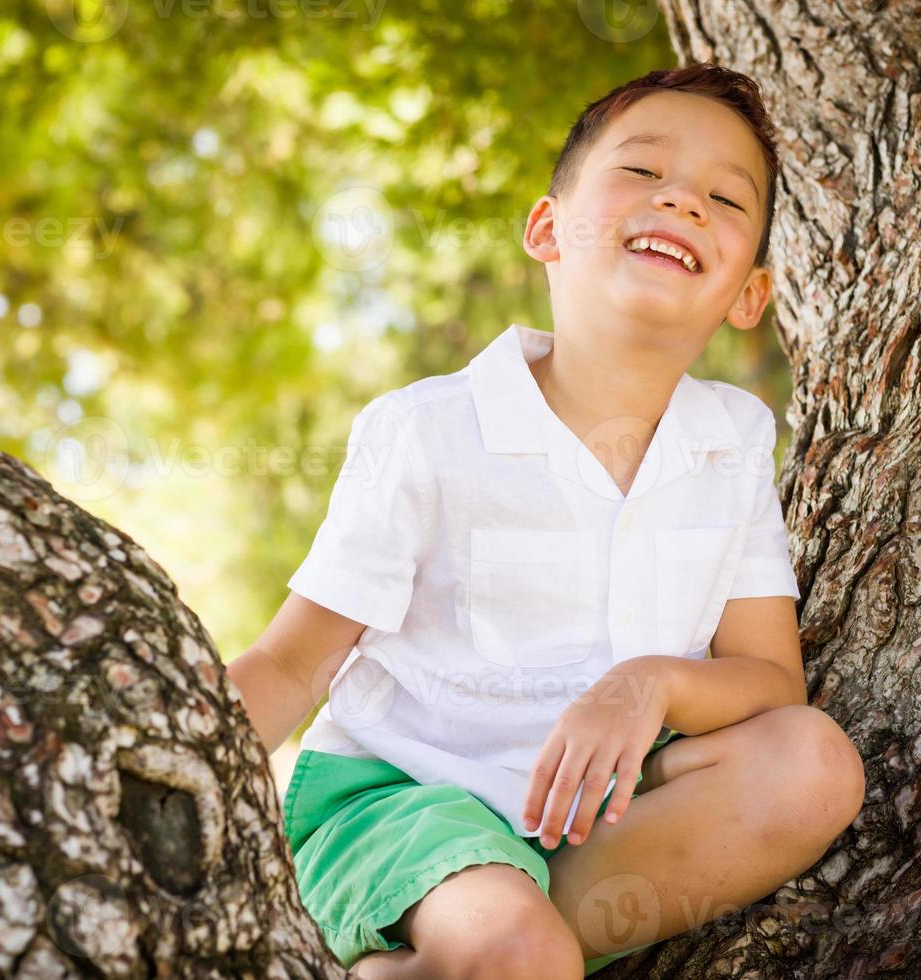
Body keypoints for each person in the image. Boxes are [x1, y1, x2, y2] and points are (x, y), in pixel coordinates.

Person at [227, 62, 866, 979]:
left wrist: (653, 686)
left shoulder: (732, 439)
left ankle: (502, 954)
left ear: (746, 297)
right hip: (404, 801)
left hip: (589, 815)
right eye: (641, 173)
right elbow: (293, 662)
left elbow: (771, 681)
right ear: (547, 229)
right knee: (517, 950)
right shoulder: (429, 429)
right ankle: (488, 948)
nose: (682, 199)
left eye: (726, 197)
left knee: (814, 768)